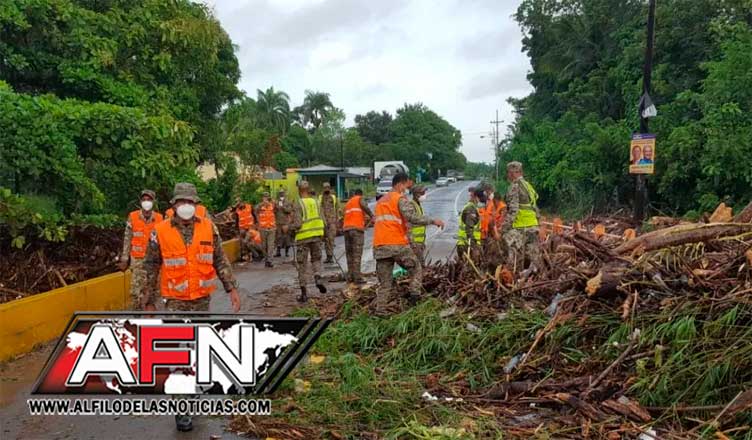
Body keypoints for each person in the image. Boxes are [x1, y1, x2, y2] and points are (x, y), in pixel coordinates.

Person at [142, 182, 240, 432]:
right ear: (174, 204)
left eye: (190, 202)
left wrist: (231, 288)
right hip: (174, 302)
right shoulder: (160, 231)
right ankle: (182, 411)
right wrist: (148, 301)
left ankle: (191, 392)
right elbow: (150, 267)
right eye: (181, 202)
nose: (186, 206)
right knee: (178, 354)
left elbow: (220, 259)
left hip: (201, 302)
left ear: (196, 204)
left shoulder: (208, 227)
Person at [373, 173, 444, 315]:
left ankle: (380, 310)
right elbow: (412, 217)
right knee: (416, 268)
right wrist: (433, 221)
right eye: (405, 186)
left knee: (385, 282)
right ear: (400, 184)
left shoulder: (381, 201)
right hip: (396, 244)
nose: (405, 189)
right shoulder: (399, 199)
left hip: (380, 245)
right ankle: (414, 299)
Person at [118, 189, 163, 310]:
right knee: (136, 292)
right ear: (140, 201)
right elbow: (127, 238)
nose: (146, 202)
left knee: (153, 292)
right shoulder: (133, 216)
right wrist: (124, 258)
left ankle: (151, 317)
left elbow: (163, 240)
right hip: (137, 260)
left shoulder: (159, 218)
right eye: (144, 199)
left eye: (149, 199)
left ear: (154, 202)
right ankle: (136, 316)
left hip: (154, 262)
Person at [291, 181, 327, 302]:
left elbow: (297, 224)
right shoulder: (316, 202)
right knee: (316, 259)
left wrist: (288, 228)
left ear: (299, 191)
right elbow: (324, 220)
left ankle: (304, 294)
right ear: (308, 189)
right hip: (317, 236)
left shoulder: (298, 203)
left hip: (303, 237)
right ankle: (317, 277)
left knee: (302, 265)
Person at [501, 161, 540, 273]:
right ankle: (534, 276)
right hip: (533, 225)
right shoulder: (528, 186)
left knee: (511, 250)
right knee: (533, 257)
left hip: (521, 226)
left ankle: (514, 276)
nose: (508, 175)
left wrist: (504, 228)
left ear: (512, 173)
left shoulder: (515, 186)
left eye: (509, 173)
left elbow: (513, 210)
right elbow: (534, 207)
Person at [342, 189, 373, 284]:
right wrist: (372, 215)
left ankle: (350, 276)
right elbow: (365, 206)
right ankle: (357, 277)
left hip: (346, 230)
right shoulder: (359, 199)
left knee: (349, 254)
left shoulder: (348, 203)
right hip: (356, 230)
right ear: (360, 194)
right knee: (356, 254)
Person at [457, 188, 484, 263]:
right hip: (467, 245)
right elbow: (468, 229)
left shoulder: (472, 207)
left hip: (466, 244)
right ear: (475, 197)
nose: (480, 200)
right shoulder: (471, 209)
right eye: (479, 198)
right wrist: (474, 247)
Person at [318, 182, 339, 264]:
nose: (326, 189)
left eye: (328, 187)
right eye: (325, 187)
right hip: (323, 222)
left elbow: (337, 209)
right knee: (324, 240)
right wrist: (323, 221)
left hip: (332, 222)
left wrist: (337, 220)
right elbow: (320, 210)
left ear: (329, 188)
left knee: (331, 239)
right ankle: (325, 256)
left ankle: (330, 256)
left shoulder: (333, 197)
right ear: (323, 188)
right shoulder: (320, 198)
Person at [255, 192, 276, 268]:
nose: (266, 199)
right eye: (264, 197)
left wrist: (272, 201)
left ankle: (270, 260)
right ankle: (266, 260)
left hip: (272, 228)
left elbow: (278, 208)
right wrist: (262, 204)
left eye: (267, 197)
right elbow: (255, 210)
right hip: (263, 228)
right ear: (262, 198)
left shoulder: (272, 205)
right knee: (264, 246)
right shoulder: (259, 206)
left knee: (270, 245)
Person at [408, 185, 429, 264]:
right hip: (414, 242)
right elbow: (413, 221)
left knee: (420, 264)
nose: (424, 195)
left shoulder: (418, 205)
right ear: (416, 194)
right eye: (422, 193)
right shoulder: (411, 205)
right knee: (418, 266)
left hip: (419, 242)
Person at [233, 197, 255, 262]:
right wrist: (236, 229)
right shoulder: (237, 210)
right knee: (243, 243)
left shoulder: (249, 207)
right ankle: (247, 255)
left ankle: (252, 255)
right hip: (242, 228)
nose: (238, 204)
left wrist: (256, 224)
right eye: (236, 203)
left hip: (250, 227)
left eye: (238, 202)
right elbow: (237, 220)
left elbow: (254, 215)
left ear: (242, 202)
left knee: (247, 241)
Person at [274, 190, 293, 258]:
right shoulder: (276, 202)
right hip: (278, 222)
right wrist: (276, 208)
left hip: (285, 222)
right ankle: (278, 252)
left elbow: (289, 210)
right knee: (278, 237)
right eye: (280, 193)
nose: (281, 194)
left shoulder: (288, 202)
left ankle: (286, 252)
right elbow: (273, 211)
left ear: (284, 194)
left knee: (286, 237)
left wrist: (283, 207)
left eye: (282, 193)